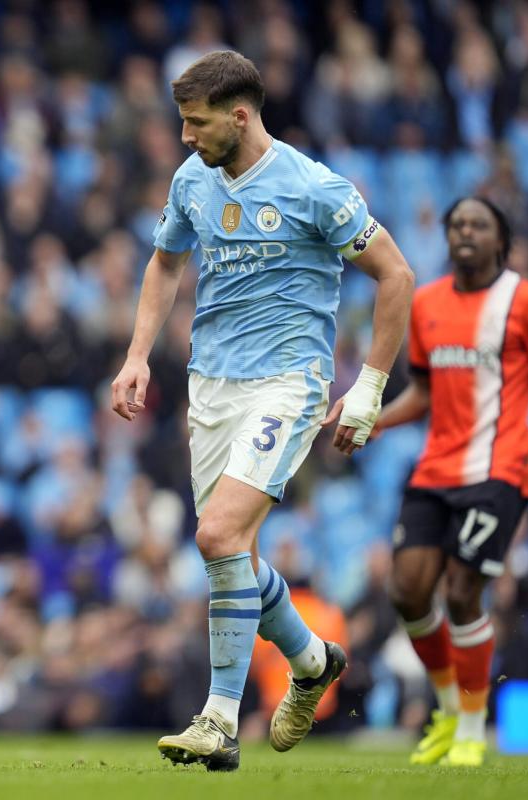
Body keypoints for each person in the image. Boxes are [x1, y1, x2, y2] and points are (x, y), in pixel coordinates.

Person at [110, 50, 415, 771]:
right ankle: (311, 661)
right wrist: (135, 356)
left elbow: (396, 276)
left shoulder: (315, 188)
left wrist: (369, 387)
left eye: (196, 123)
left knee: (216, 536)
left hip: (288, 382)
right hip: (211, 384)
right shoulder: (193, 181)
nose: (186, 137)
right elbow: (164, 261)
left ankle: (220, 719)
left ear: (239, 116)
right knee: (234, 555)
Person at [373, 197, 528, 768]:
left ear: (499, 239)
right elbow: (424, 390)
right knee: (407, 592)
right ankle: (445, 709)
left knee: (462, 593)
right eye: (457, 224)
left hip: (500, 470)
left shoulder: (522, 299)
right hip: (436, 468)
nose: (466, 232)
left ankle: (470, 726)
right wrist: (374, 420)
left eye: (478, 225)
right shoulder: (429, 303)